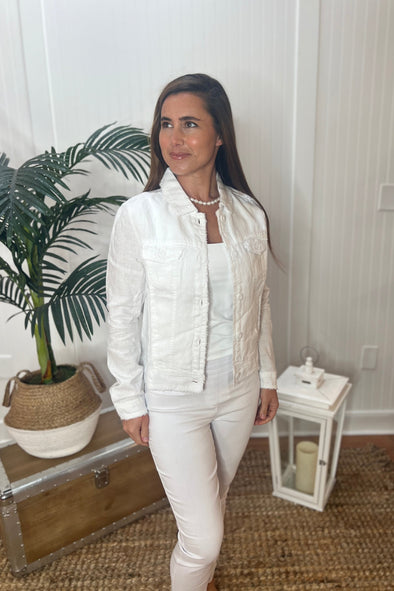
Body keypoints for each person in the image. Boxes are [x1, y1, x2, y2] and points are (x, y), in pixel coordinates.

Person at [106, 73, 279, 591]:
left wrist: (267, 375)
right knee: (203, 537)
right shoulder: (141, 216)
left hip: (238, 389)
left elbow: (260, 302)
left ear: (220, 134)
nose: (173, 139)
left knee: (214, 504)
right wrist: (130, 401)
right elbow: (122, 313)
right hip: (173, 398)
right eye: (165, 124)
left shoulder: (248, 214)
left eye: (189, 124)